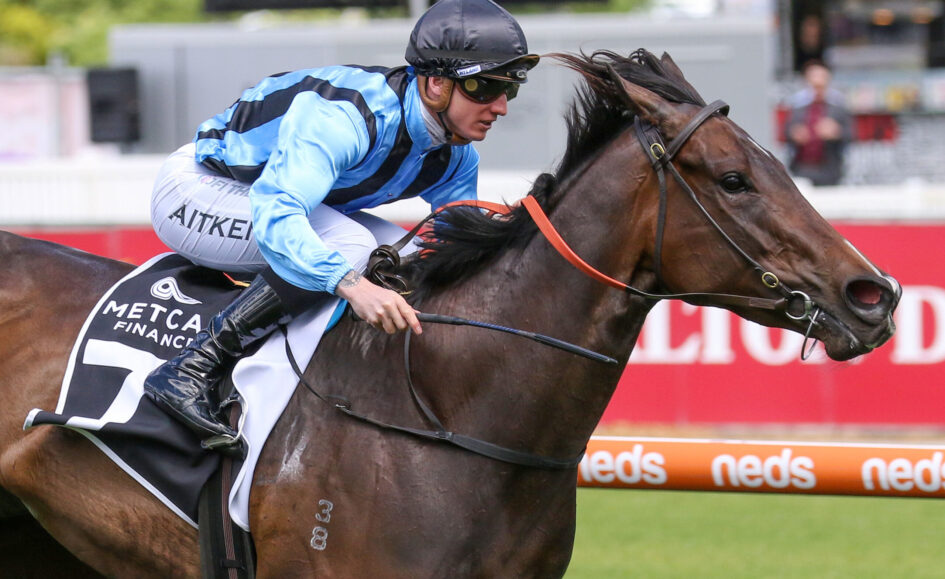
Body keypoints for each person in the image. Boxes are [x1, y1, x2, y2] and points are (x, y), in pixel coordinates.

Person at [143, 0, 539, 452]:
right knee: (351, 247)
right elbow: (277, 219)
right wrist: (353, 285)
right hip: (197, 189)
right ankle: (191, 368)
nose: (501, 107)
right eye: (485, 87)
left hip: (272, 200)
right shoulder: (345, 118)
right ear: (436, 84)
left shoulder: (456, 155)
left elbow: (458, 243)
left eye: (510, 90)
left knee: (406, 256)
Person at [784, 60, 853, 187]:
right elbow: (786, 132)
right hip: (802, 168)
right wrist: (795, 134)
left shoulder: (838, 108)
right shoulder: (797, 109)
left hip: (829, 169)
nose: (817, 89)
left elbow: (851, 135)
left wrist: (836, 132)